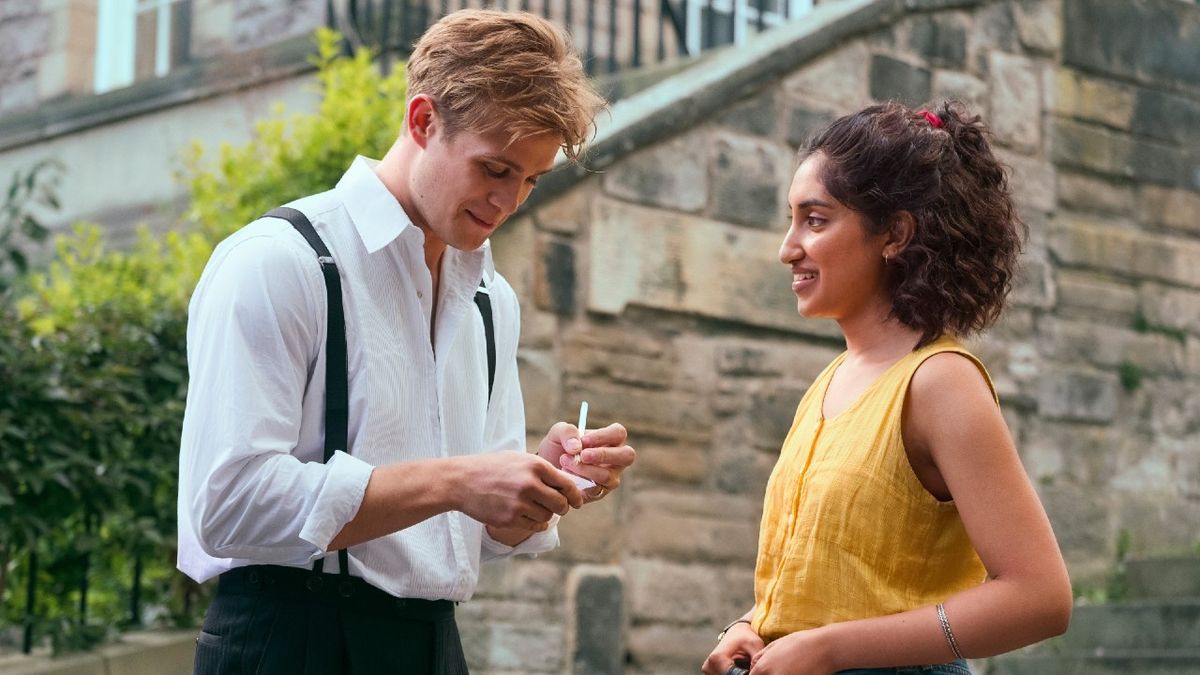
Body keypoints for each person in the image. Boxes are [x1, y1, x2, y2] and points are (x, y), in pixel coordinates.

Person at [177, 10, 634, 674]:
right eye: (495, 168)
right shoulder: (278, 261)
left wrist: (540, 486)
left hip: (432, 645)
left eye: (530, 180)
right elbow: (230, 505)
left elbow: (480, 533)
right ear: (423, 122)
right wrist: (457, 480)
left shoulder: (489, 299)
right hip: (288, 641)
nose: (509, 201)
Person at [702, 101, 1072, 675]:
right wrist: (750, 625)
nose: (788, 247)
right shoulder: (830, 382)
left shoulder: (940, 381)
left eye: (815, 220)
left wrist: (829, 648)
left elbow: (1040, 597)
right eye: (791, 219)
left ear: (894, 233)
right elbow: (839, 579)